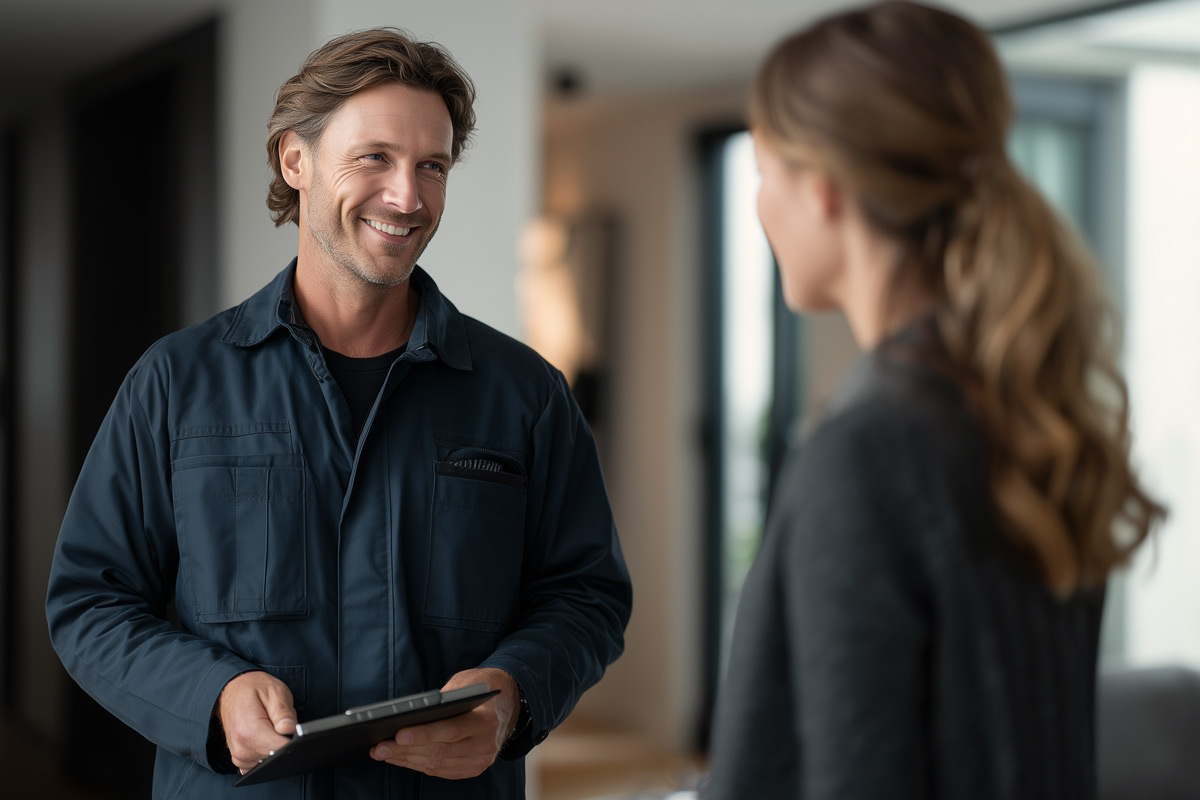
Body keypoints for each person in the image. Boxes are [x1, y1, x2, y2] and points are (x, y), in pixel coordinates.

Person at [46, 28, 632, 799]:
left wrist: (512, 693)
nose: (408, 197)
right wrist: (211, 696)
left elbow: (586, 594)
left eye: (433, 166)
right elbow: (90, 602)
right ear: (297, 161)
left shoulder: (524, 394)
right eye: (375, 158)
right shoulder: (174, 384)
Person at [704, 3, 1164, 798]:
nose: (759, 204)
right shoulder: (1025, 416)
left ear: (822, 192)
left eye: (763, 172)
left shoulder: (868, 454)